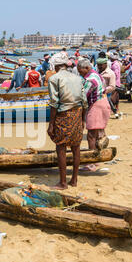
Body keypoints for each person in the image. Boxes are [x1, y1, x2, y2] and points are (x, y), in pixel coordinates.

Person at [47, 53, 86, 189]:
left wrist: (51, 124)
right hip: (77, 113)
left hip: (64, 115)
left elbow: (54, 103)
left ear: (56, 65)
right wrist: (82, 120)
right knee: (76, 147)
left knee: (61, 147)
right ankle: (74, 180)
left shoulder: (54, 79)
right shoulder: (77, 78)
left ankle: (63, 182)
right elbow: (84, 100)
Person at [77, 59, 110, 154]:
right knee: (97, 133)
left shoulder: (90, 79)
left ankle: (92, 162)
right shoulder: (96, 74)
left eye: (80, 71)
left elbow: (83, 97)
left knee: (91, 135)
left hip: (97, 105)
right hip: (102, 103)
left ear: (87, 68)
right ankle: (97, 155)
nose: (80, 73)